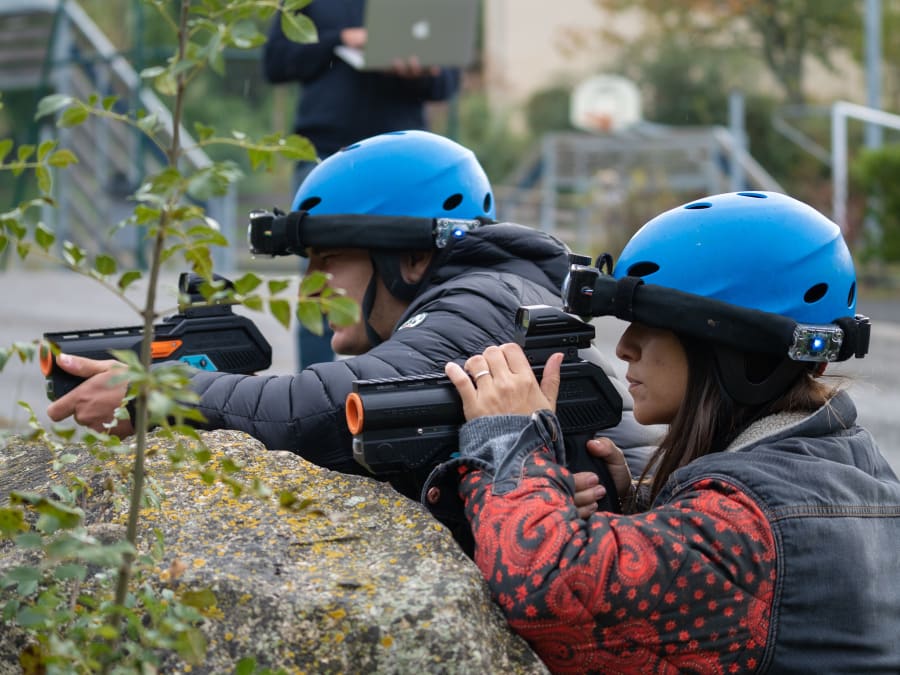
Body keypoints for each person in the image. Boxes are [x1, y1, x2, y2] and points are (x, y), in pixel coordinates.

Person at [46, 130, 657, 537]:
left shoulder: (483, 299)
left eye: (329, 260)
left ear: (410, 259)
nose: (309, 286)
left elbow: (320, 411)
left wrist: (164, 393)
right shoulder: (491, 292)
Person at [428, 190, 900, 672]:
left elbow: (548, 589)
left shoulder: (748, 527)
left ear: (732, 345)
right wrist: (639, 503)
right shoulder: (853, 466)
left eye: (650, 323)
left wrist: (507, 434)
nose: (626, 346)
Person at [263, 1, 462, 369]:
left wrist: (419, 70)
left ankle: (400, 380)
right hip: (325, 152)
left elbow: (447, 82)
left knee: (408, 278)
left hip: (402, 160)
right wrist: (341, 40)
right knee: (323, 280)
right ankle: (316, 391)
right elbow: (275, 62)